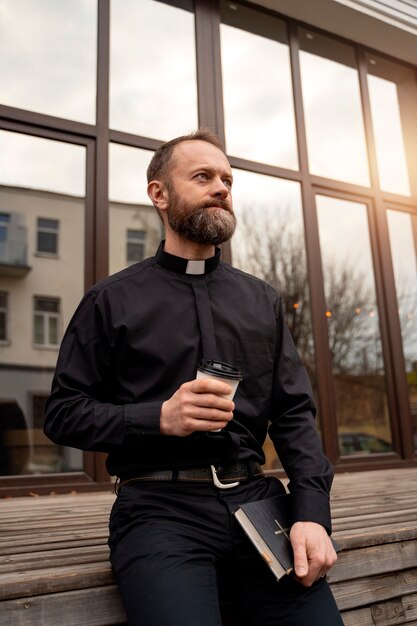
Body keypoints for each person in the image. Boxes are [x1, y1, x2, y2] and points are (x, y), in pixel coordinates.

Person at [44, 129, 343, 626]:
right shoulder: (111, 300)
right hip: (159, 511)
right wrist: (157, 417)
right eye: (203, 177)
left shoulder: (262, 300)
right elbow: (63, 413)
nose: (221, 187)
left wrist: (311, 511)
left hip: (259, 505)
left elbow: (293, 415)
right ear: (159, 195)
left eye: (227, 179)